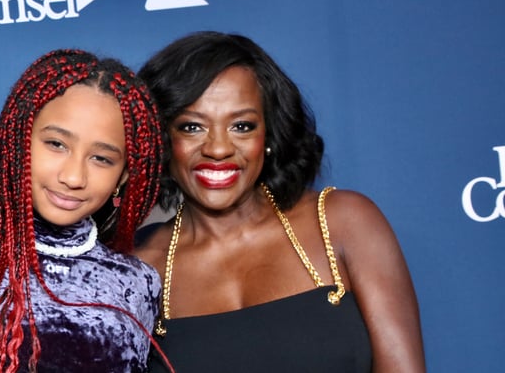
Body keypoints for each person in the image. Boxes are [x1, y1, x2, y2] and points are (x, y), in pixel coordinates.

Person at [134, 31, 425, 372]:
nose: (217, 149)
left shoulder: (343, 222)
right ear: (161, 140)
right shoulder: (140, 266)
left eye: (242, 126)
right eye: (191, 127)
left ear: (269, 135)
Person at [0, 49, 170, 372]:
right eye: (57, 145)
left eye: (101, 159)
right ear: (18, 139)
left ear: (124, 176)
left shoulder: (138, 282)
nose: (73, 177)